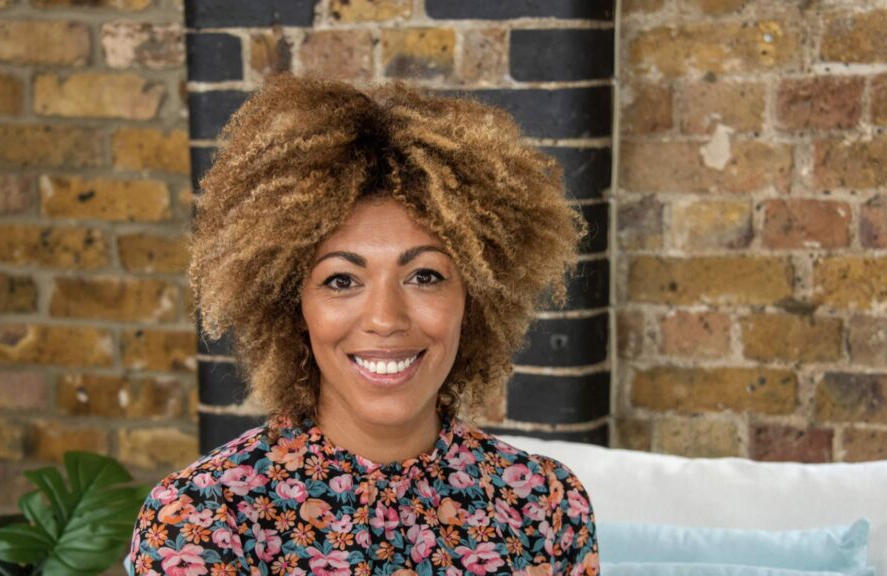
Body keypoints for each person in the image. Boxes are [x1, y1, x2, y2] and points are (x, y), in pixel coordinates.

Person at [129, 73, 600, 576]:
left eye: (424, 275)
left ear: (476, 298)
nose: (384, 319)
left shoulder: (544, 504)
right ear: (293, 305)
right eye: (341, 280)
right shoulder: (201, 518)